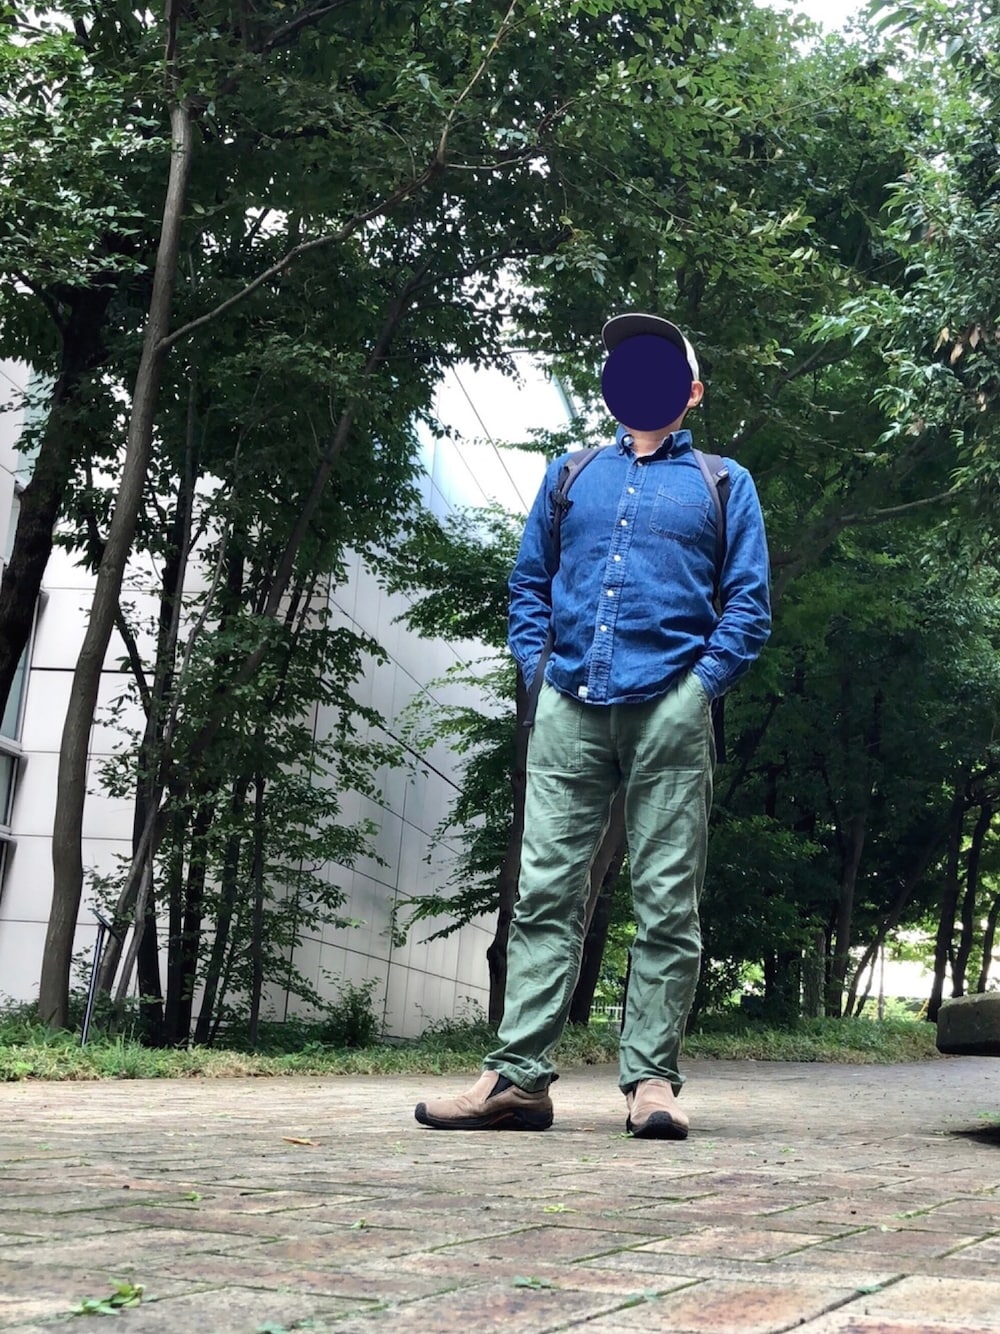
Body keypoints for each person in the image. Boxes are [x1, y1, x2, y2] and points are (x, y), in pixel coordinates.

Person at [414, 313, 770, 1139]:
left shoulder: (725, 483)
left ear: (691, 391)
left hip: (671, 710)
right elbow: (527, 586)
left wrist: (698, 690)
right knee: (544, 894)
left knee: (667, 901)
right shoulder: (570, 473)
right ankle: (517, 1080)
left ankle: (651, 1084)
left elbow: (749, 607)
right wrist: (539, 676)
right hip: (569, 705)